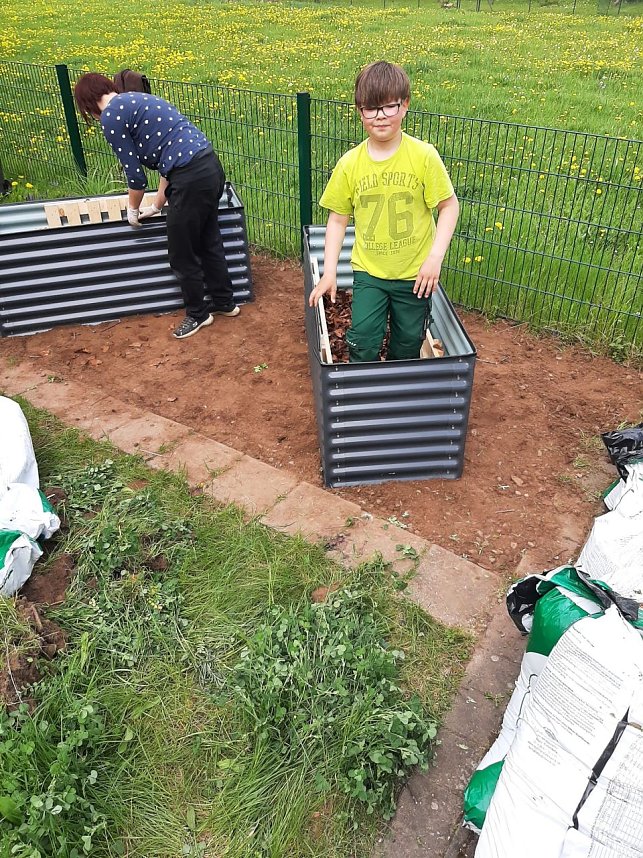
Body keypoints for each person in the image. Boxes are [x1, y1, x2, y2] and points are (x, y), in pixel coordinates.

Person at [309, 61, 459, 362]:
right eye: (370, 108)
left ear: (405, 106)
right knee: (362, 339)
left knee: (407, 344)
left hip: (416, 275)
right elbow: (338, 219)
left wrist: (434, 259)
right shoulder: (350, 164)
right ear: (358, 110)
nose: (379, 116)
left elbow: (449, 206)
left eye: (389, 107)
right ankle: (360, 396)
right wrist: (328, 272)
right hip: (370, 273)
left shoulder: (423, 156)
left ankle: (395, 394)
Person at [73, 73, 239, 340]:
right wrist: (157, 204)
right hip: (209, 168)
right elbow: (167, 163)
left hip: (189, 178)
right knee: (208, 239)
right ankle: (224, 302)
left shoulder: (111, 117)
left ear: (87, 103)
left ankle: (198, 314)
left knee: (181, 252)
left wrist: (132, 209)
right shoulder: (138, 100)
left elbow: (135, 176)